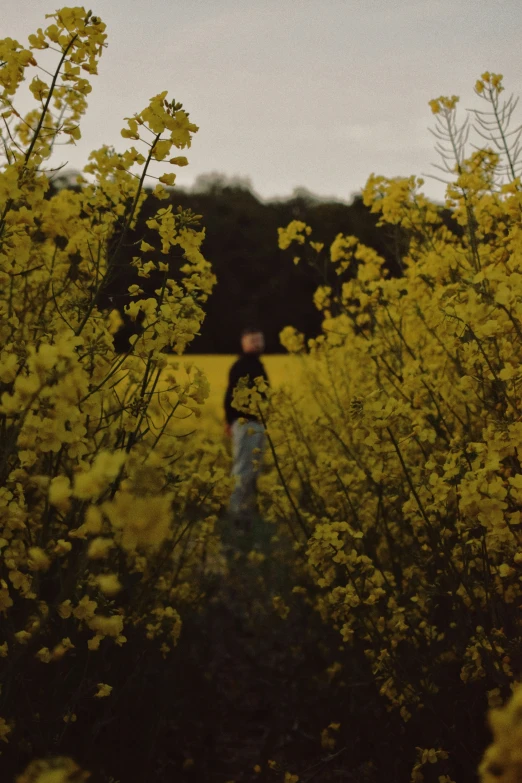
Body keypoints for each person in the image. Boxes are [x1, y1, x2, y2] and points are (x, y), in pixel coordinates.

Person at [224, 327, 269, 527]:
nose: (257, 344)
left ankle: (246, 513)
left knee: (253, 470)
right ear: (244, 343)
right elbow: (230, 395)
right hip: (244, 423)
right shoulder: (240, 366)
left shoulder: (258, 364)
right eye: (253, 341)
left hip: (257, 423)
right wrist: (230, 421)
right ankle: (235, 514)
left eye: (259, 340)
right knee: (242, 468)